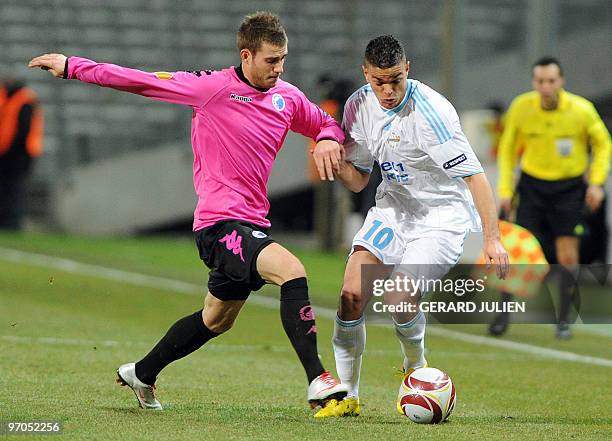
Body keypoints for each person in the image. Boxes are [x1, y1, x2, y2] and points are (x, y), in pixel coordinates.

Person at [29, 11, 348, 412]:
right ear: (247, 55)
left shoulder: (288, 97)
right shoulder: (212, 88)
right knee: (292, 270)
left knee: (216, 320)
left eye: (283, 59)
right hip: (219, 224)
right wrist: (74, 67)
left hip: (250, 222)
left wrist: (326, 138)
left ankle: (141, 373)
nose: (278, 68)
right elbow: (141, 81)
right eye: (271, 60)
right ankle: (318, 380)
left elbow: (326, 123)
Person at [311, 35, 508, 417]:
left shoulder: (432, 113)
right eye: (378, 81)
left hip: (440, 219)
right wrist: (337, 163)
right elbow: (359, 181)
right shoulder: (357, 106)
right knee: (351, 295)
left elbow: (476, 178)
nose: (387, 91)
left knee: (398, 298)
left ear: (408, 70)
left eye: (396, 80)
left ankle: (416, 365)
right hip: (393, 211)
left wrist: (493, 239)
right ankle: (347, 396)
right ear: (366, 74)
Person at [497, 57, 611, 339]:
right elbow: (508, 148)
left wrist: (597, 183)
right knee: (519, 251)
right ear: (534, 82)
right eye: (540, 81)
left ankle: (563, 319)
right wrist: (505, 191)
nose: (545, 87)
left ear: (561, 81)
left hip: (569, 189)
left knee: (567, 254)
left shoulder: (581, 110)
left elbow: (603, 144)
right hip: (533, 186)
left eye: (551, 81)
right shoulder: (522, 107)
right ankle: (502, 315)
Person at [0, 75, 43, 229]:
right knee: (6, 188)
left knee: (14, 188)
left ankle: (12, 223)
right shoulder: (7, 97)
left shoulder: (25, 100)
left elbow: (24, 130)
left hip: (21, 153)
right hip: (5, 151)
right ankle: (5, 222)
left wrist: (13, 150)